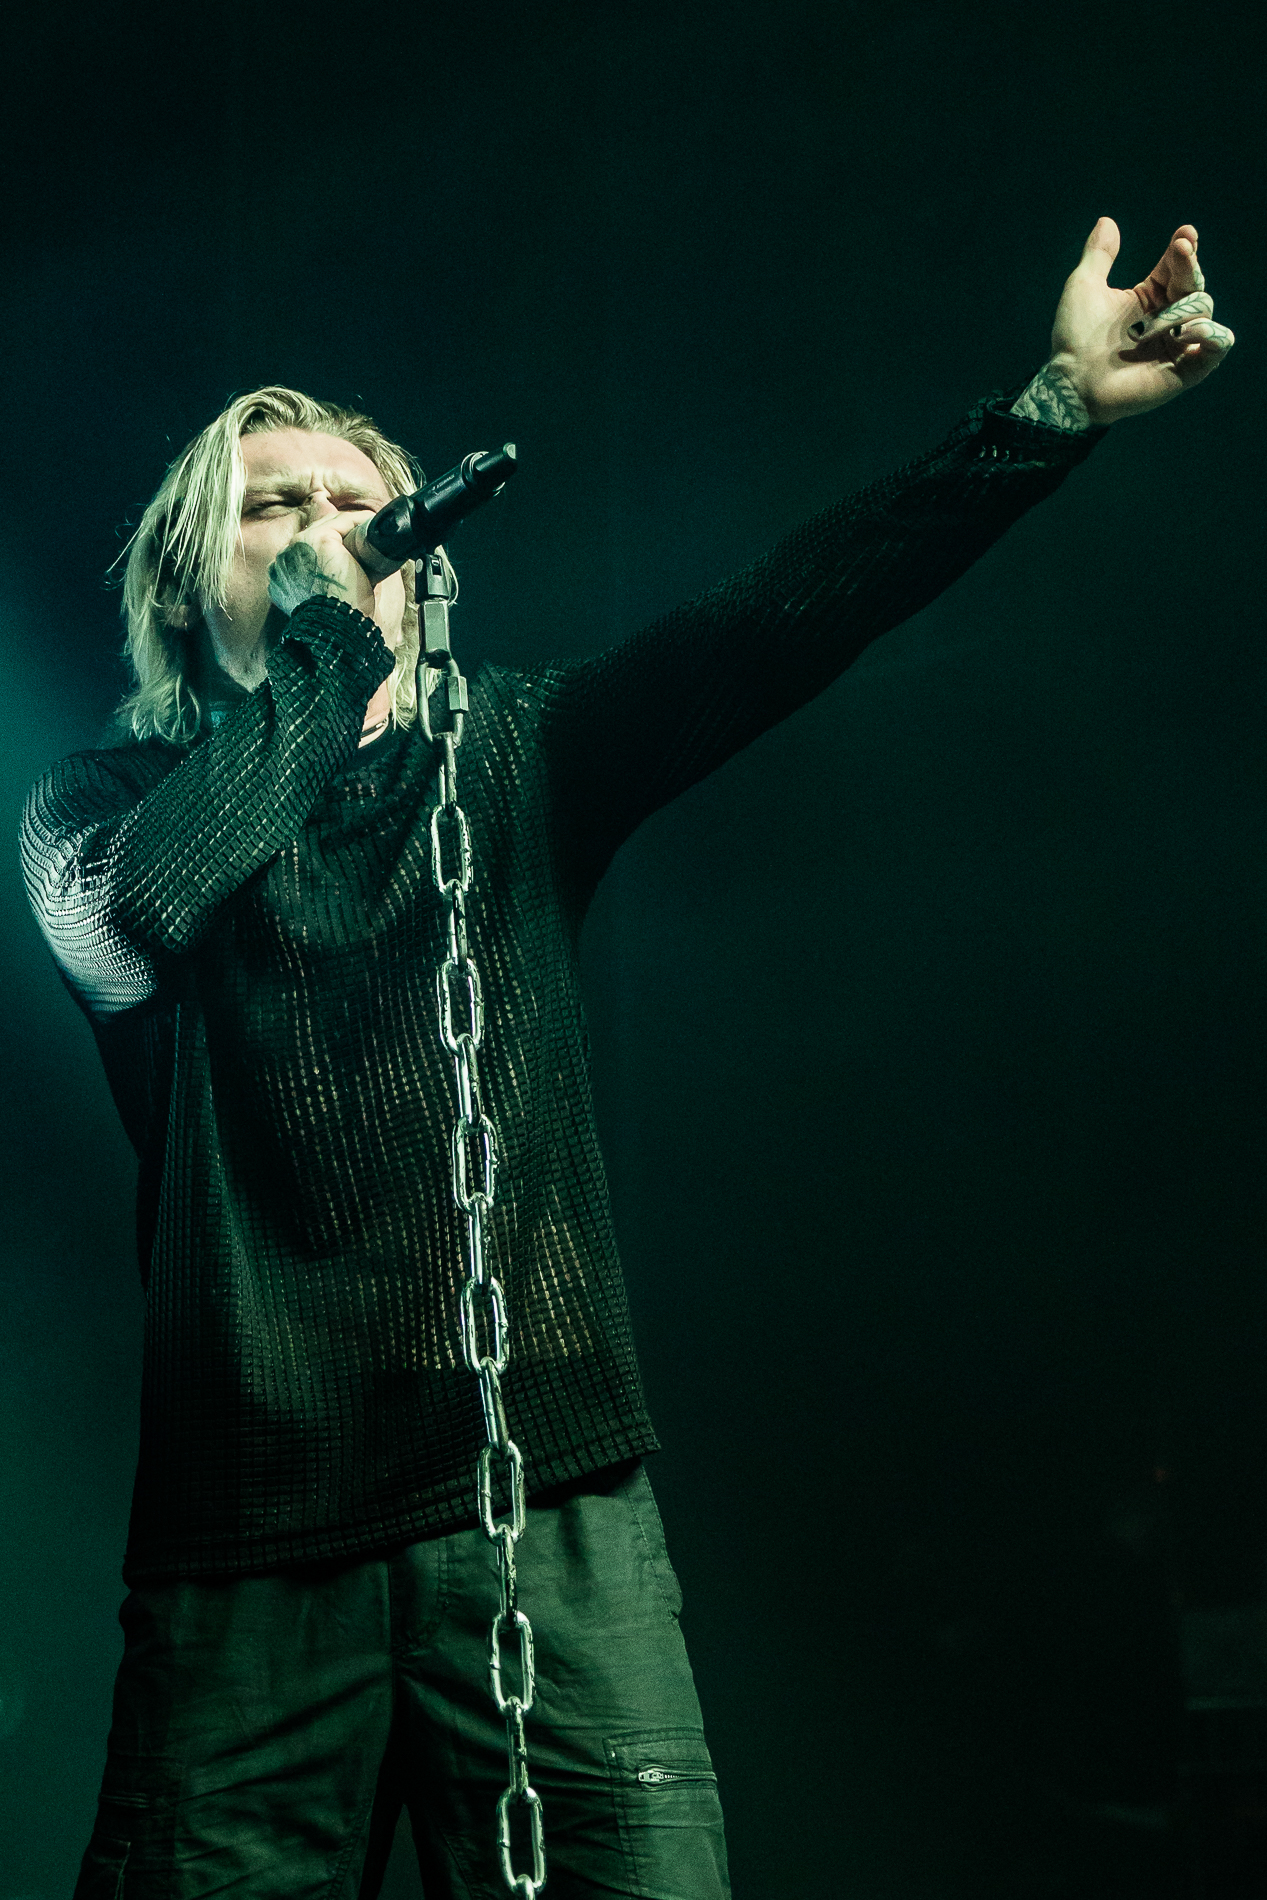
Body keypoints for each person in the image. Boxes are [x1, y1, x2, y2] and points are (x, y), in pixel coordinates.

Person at [21, 219, 1233, 1900]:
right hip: (245, 1540)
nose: (325, 531)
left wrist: (1047, 411)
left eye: (358, 503)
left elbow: (776, 624)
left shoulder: (514, 754)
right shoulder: (92, 811)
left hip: (543, 1500)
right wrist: (327, 642)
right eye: (274, 508)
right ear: (183, 580)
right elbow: (149, 914)